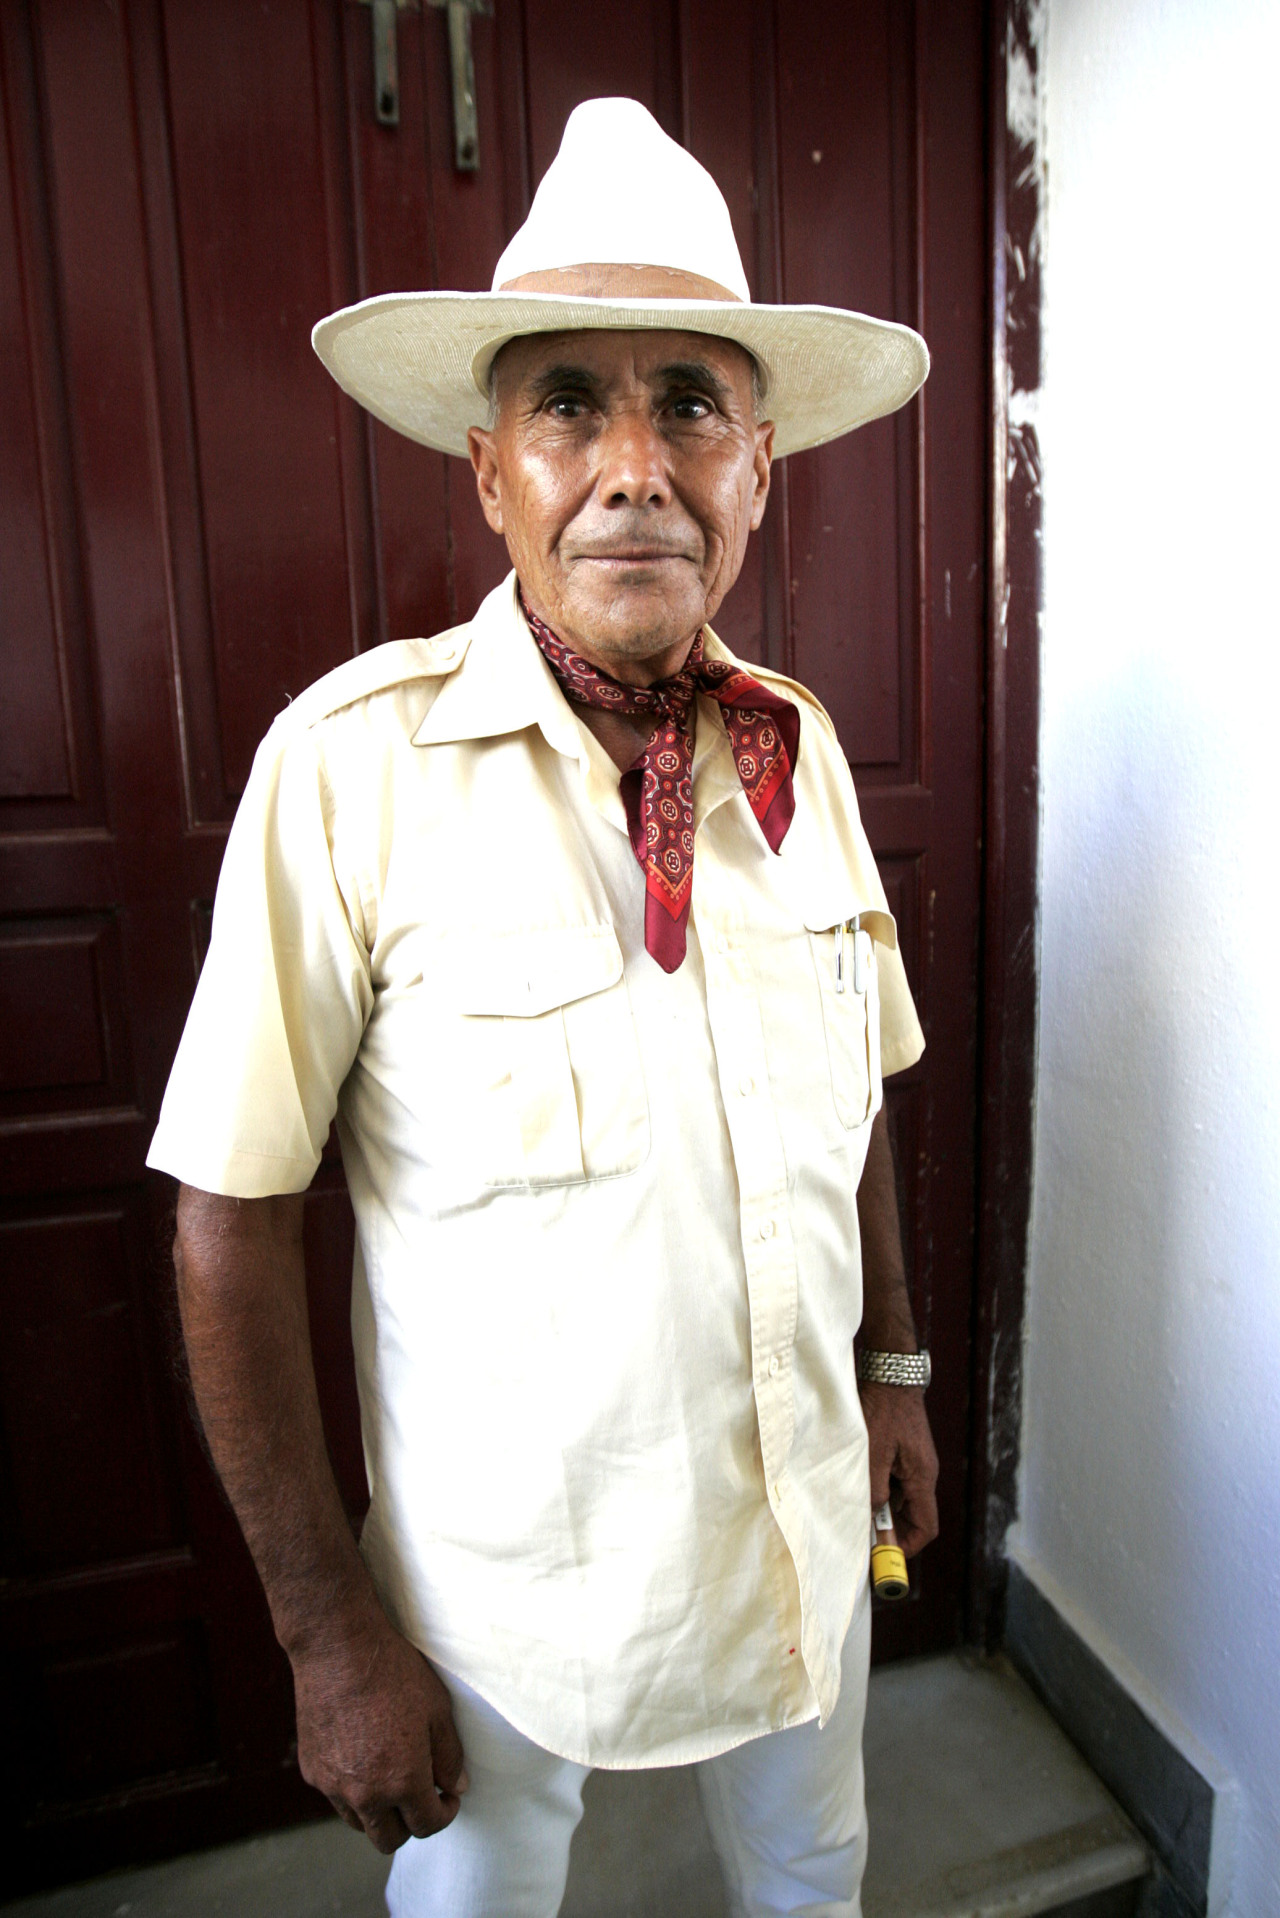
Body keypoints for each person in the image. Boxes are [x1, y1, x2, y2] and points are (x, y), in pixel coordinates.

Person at [149, 98, 940, 1917]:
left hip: (802, 1538)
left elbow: (860, 1087)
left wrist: (893, 1367)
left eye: (692, 408)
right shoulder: (349, 771)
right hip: (501, 1613)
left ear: (760, 469)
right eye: (571, 404)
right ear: (490, 472)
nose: (636, 468)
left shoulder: (800, 752)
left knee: (815, 1879)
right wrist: (325, 1633)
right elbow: (227, 1222)